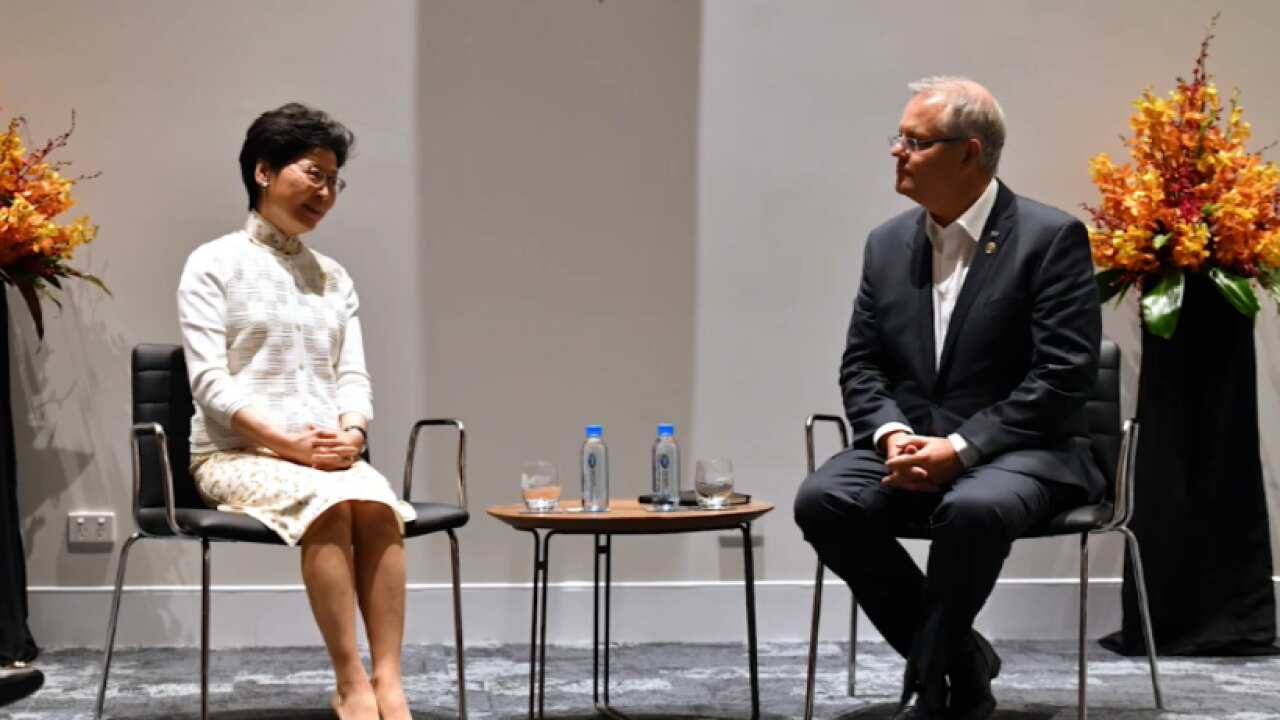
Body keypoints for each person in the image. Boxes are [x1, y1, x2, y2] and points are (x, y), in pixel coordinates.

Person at [793, 77, 1103, 720]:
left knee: (972, 508)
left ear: (969, 152)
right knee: (823, 500)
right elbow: (861, 364)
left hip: (1021, 450)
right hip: (908, 442)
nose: (897, 151)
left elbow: (1063, 375)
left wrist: (961, 449)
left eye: (916, 141)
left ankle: (929, 689)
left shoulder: (1049, 238)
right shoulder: (886, 244)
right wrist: (893, 435)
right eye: (899, 138)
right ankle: (964, 661)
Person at [178, 103, 415, 720]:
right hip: (234, 455)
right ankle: (351, 682)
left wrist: (353, 433)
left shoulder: (333, 277)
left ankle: (389, 681)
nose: (325, 192)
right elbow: (209, 382)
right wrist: (287, 445)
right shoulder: (213, 264)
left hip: (324, 455)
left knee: (378, 505)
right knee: (332, 504)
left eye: (334, 180)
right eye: (314, 174)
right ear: (264, 171)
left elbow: (352, 376)